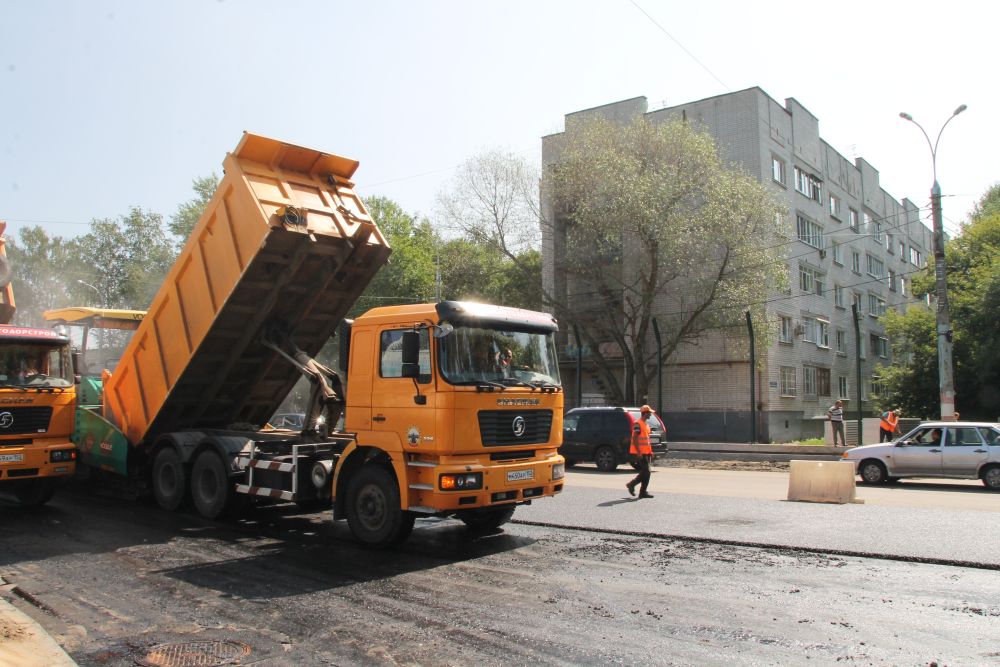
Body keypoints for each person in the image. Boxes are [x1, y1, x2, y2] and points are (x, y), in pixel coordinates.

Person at [626, 405, 655, 499]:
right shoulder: (638, 424)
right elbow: (634, 438)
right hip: (640, 452)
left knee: (646, 472)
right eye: (649, 412)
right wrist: (638, 452)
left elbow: (646, 440)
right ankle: (633, 485)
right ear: (645, 413)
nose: (651, 414)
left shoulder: (646, 425)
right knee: (647, 471)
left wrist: (650, 452)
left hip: (646, 452)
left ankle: (639, 489)